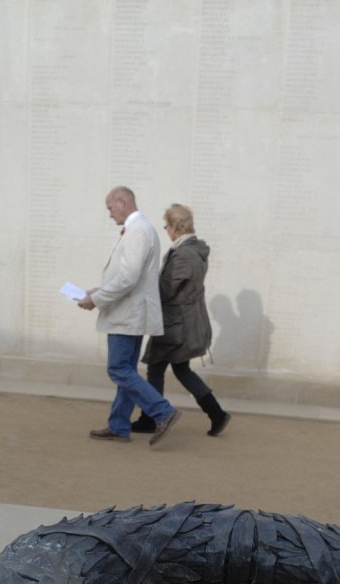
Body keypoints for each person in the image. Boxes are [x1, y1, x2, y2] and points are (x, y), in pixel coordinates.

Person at [78, 186, 181, 446]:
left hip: (127, 314)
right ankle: (119, 425)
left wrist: (97, 299)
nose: (110, 214)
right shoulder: (139, 229)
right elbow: (128, 276)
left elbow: (128, 277)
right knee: (126, 370)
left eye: (110, 208)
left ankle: (163, 412)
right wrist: (98, 291)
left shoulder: (138, 230)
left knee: (119, 369)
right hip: (129, 312)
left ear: (123, 202)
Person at [131, 204, 230, 437]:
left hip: (175, 324)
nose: (166, 230)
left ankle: (151, 417)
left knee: (155, 368)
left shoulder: (184, 254)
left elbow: (166, 290)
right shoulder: (195, 249)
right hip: (184, 322)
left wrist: (143, 284)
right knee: (181, 369)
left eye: (166, 226)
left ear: (175, 226)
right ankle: (216, 413)